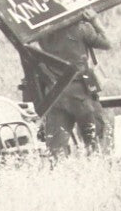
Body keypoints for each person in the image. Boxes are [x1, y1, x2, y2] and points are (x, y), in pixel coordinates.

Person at [32, 9, 111, 156]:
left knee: (56, 147)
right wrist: (94, 20)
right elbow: (107, 43)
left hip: (54, 94)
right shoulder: (81, 29)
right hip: (80, 91)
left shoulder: (42, 34)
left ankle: (59, 176)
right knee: (95, 140)